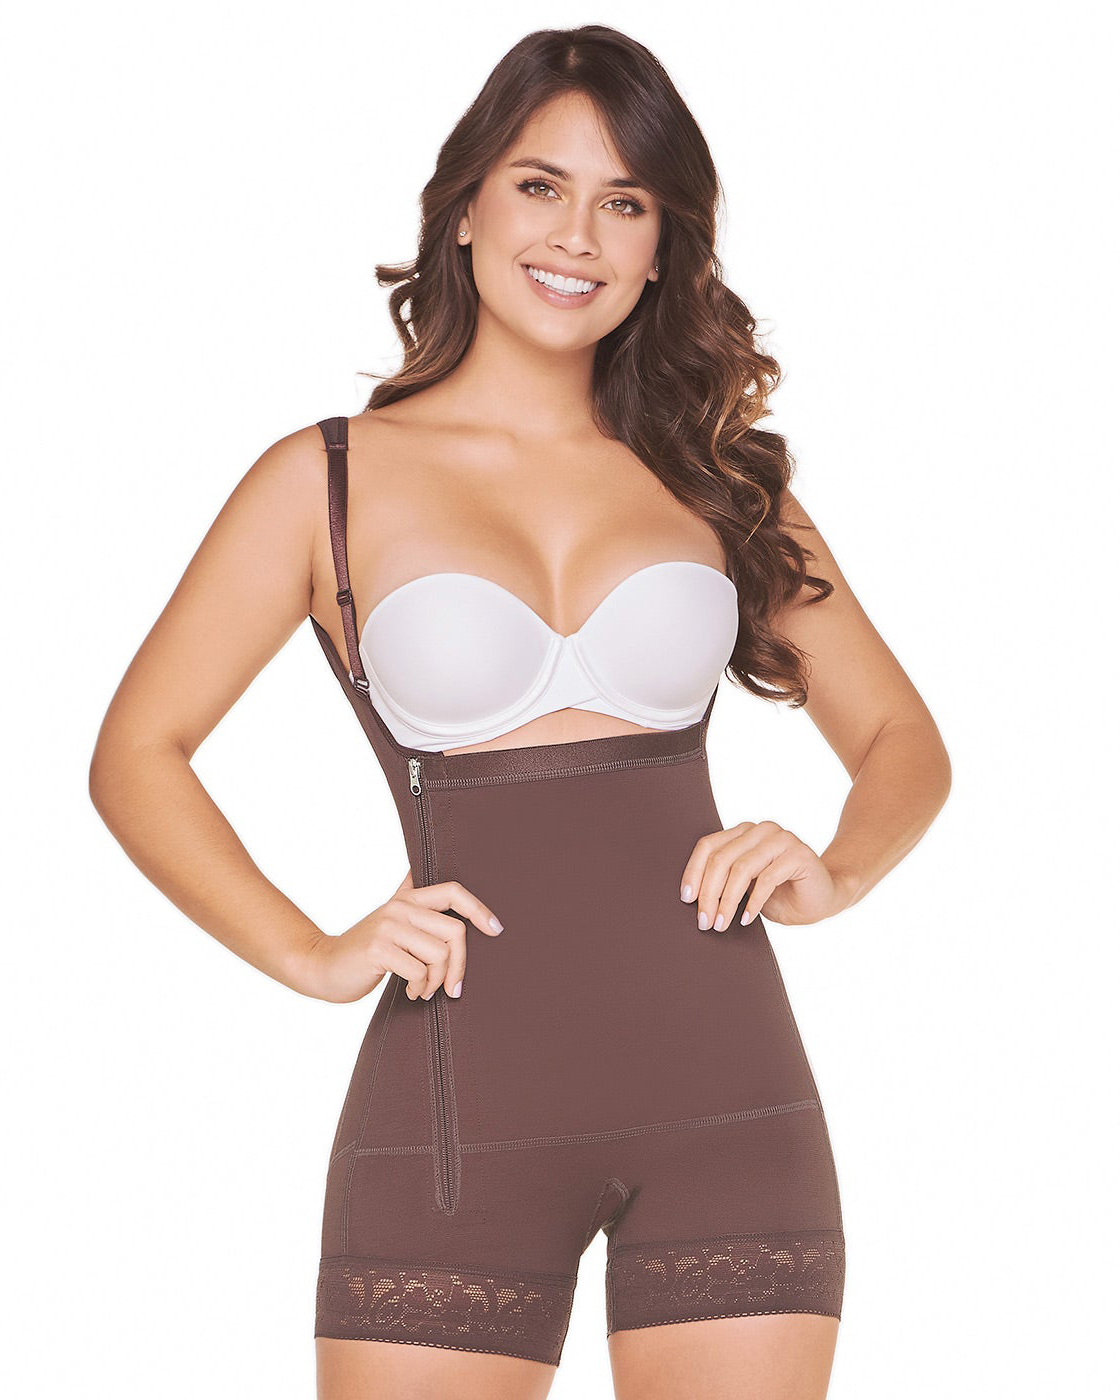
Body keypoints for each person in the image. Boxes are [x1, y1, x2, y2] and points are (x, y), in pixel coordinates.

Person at [88, 24, 951, 1400]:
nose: (578, 236)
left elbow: (904, 741)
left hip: (731, 1097)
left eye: (627, 203)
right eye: (541, 185)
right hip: (456, 1111)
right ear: (466, 207)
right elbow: (139, 751)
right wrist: (309, 951)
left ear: (664, 248)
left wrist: (835, 868)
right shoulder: (326, 480)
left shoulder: (716, 475)